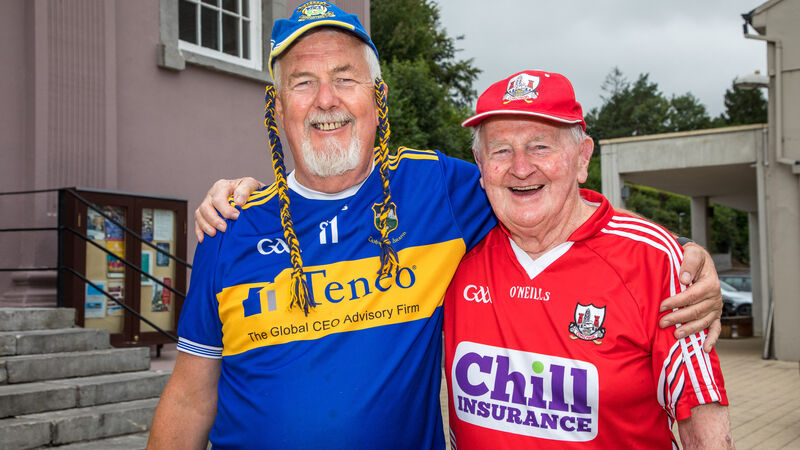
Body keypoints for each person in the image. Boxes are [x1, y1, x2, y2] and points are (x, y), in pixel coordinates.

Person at [151, 2, 723, 448]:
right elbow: (189, 398)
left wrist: (683, 255)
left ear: (377, 98)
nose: (326, 99)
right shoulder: (230, 226)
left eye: (345, 78)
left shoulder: (437, 191)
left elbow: (548, 196)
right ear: (277, 110)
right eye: (302, 82)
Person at [444, 70, 731, 448]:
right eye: (501, 150)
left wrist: (682, 248)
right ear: (480, 166)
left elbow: (702, 417)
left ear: (582, 158)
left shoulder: (656, 262)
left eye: (540, 146)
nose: (520, 167)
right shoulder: (455, 254)